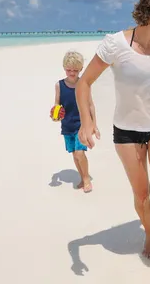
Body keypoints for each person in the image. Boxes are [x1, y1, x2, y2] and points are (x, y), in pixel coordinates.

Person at [75, 0, 150, 283]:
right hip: (126, 132)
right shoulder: (115, 44)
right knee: (142, 196)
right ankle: (149, 232)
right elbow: (84, 82)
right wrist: (87, 122)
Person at [51, 50, 95, 193]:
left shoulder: (84, 84)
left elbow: (90, 105)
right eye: (69, 70)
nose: (71, 73)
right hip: (67, 125)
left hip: (82, 125)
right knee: (75, 155)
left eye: (75, 70)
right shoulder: (59, 85)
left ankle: (87, 178)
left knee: (79, 153)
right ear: (64, 68)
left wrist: (94, 125)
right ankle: (82, 178)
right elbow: (56, 106)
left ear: (81, 69)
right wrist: (55, 116)